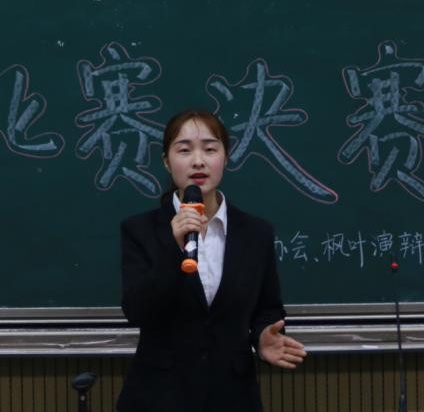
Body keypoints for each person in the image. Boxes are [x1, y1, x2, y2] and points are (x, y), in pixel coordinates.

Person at [117, 108, 306, 412]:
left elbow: (268, 307)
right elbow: (137, 311)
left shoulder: (256, 232)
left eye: (209, 149)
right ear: (167, 161)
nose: (198, 161)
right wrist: (173, 246)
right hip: (160, 397)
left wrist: (262, 336)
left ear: (225, 158)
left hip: (232, 397)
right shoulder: (141, 230)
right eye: (184, 150)